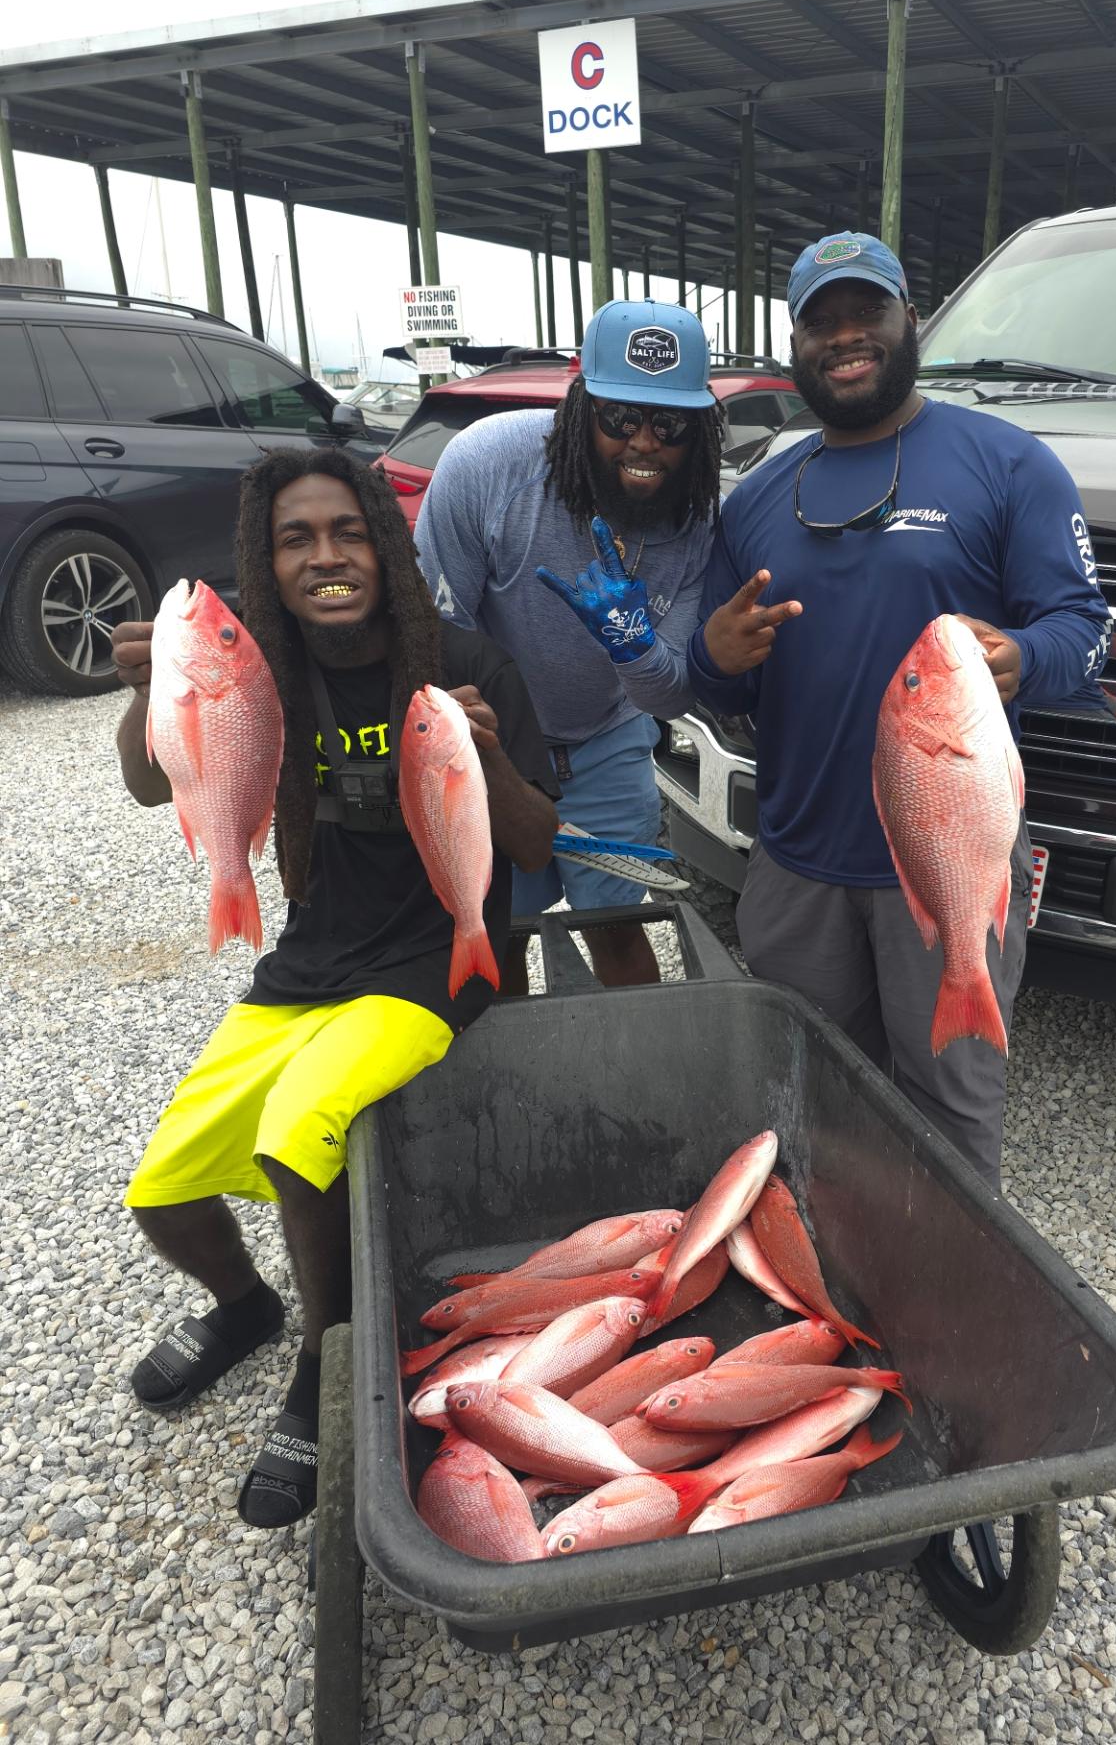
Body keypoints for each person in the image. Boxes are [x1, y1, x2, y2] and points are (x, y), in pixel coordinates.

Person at [114, 449, 558, 1527]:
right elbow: (144, 782)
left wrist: (487, 761)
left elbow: (541, 839)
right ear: (267, 566)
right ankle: (249, 1306)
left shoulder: (466, 663)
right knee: (161, 1188)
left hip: (432, 961)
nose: (326, 556)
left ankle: (327, 1361)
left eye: (348, 533)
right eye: (296, 539)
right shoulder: (255, 669)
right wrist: (149, 696)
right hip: (310, 961)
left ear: (387, 547)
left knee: (297, 1128)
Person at [687, 232, 1112, 1190]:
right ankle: (826, 1294)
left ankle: (954, 1308)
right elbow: (719, 682)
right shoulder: (757, 496)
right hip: (795, 865)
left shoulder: (1008, 464)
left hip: (953, 860)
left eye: (866, 313)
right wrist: (710, 659)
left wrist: (1026, 658)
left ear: (909, 321)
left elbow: (1085, 630)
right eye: (820, 322)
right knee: (802, 1101)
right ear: (793, 344)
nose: (846, 338)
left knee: (951, 1112)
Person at [416, 299, 722, 993]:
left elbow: (671, 692)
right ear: (581, 403)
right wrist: (492, 755)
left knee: (618, 928)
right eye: (620, 417)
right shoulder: (487, 468)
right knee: (500, 930)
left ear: (699, 429)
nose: (644, 442)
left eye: (669, 422)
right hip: (493, 741)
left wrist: (630, 642)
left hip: (607, 739)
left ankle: (637, 1077)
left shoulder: (699, 520)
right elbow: (433, 640)